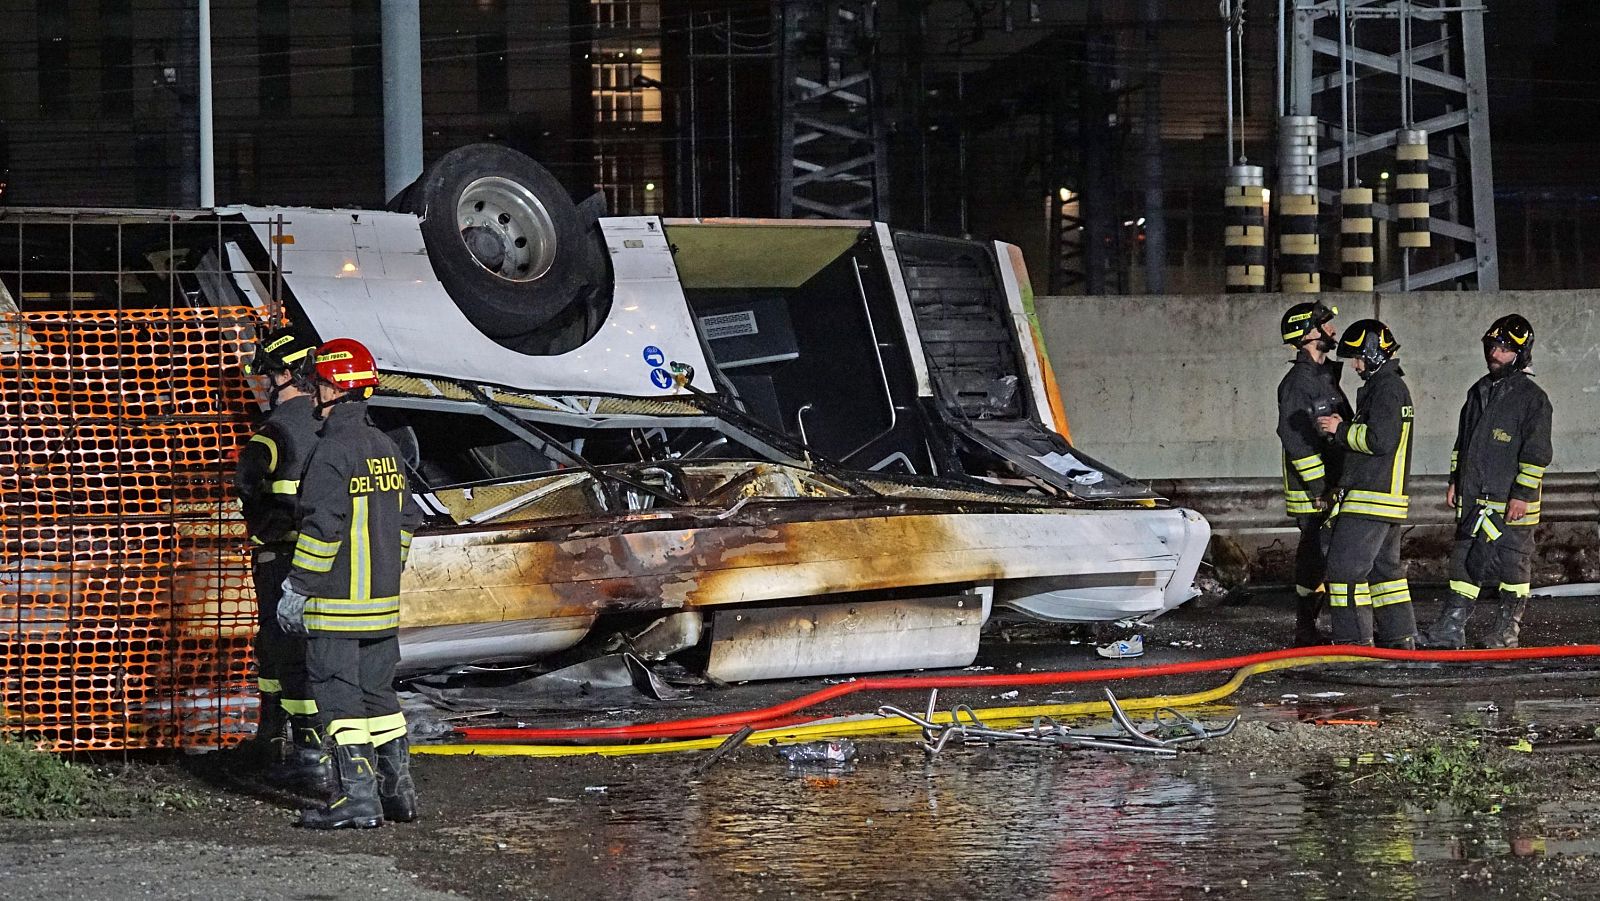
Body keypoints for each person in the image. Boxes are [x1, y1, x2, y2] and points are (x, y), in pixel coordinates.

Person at [279, 338, 424, 829]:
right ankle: (398, 795)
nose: (312, 391)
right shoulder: (386, 447)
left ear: (334, 387)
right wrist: (386, 570)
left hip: (334, 606)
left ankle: (357, 802)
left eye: (317, 382)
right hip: (382, 608)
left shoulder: (331, 451)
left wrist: (297, 588)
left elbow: (322, 528)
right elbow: (407, 521)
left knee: (339, 698)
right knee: (380, 697)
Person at [233, 324, 332, 795]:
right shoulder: (331, 424)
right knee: (302, 652)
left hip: (279, 560)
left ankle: (286, 749)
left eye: (268, 374)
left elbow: (246, 483)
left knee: (281, 650)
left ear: (288, 373)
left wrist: (263, 522)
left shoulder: (273, 432)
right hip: (328, 560)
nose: (263, 384)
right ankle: (295, 746)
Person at [1421, 315, 1553, 649]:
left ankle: (1507, 631)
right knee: (1464, 561)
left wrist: (1521, 495)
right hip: (1475, 499)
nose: (1495, 353)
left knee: (1512, 565)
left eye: (1505, 348)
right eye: (1492, 346)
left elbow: (1536, 454)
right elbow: (1463, 443)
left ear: (1521, 354)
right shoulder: (1479, 390)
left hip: (1511, 505)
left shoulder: (1532, 398)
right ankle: (1451, 628)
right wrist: (1455, 480)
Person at [1314, 319, 1418, 648]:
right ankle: (1400, 639)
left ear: (1372, 354)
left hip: (1370, 498)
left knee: (1344, 570)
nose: (1356, 365)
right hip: (1385, 499)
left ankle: (1352, 643)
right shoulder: (1389, 387)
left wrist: (1339, 429)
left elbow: (1380, 439)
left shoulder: (1386, 389)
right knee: (1385, 574)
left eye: (1358, 357)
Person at [1274, 301, 1352, 645]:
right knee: (1314, 555)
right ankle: (1306, 629)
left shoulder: (1324, 377)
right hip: (1314, 491)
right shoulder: (1297, 383)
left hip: (1331, 485)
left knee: (1329, 554)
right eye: (1325, 324)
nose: (1333, 330)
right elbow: (1296, 440)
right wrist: (1320, 485)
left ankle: (1327, 628)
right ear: (1308, 335)